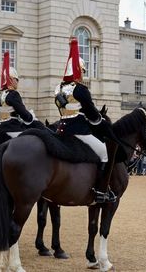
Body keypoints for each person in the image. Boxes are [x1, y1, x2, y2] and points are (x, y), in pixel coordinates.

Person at [53, 38, 117, 204]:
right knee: (104, 152)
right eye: (83, 70)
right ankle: (100, 191)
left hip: (61, 130)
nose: (83, 74)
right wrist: (101, 123)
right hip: (79, 131)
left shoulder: (58, 88)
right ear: (78, 71)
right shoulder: (81, 89)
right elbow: (93, 116)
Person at [0, 51, 43, 138]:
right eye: (17, 80)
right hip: (12, 128)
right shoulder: (13, 94)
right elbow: (23, 113)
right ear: (12, 79)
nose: (17, 82)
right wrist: (31, 117)